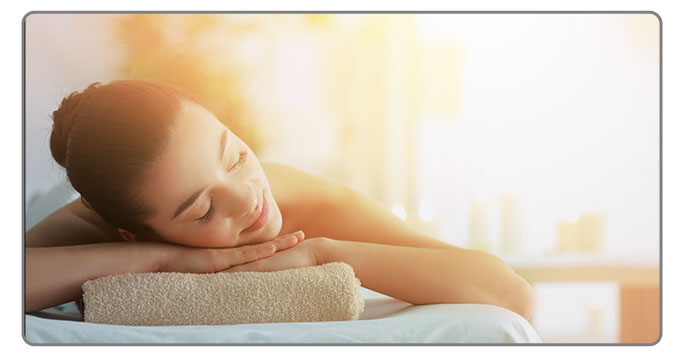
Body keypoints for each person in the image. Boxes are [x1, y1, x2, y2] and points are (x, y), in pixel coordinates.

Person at [26, 80, 533, 319]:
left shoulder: (303, 197)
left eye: (236, 157)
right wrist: (157, 257)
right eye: (204, 210)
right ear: (131, 232)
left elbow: (509, 292)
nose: (248, 199)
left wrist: (327, 253)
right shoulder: (94, 224)